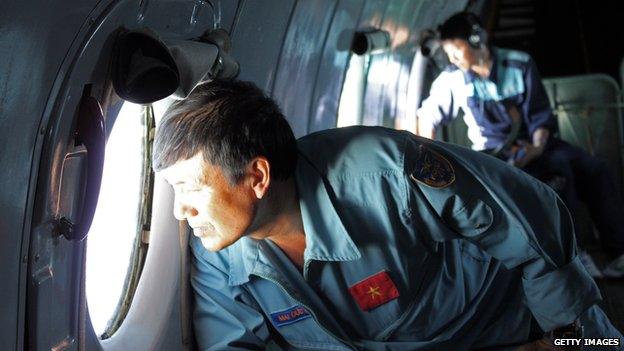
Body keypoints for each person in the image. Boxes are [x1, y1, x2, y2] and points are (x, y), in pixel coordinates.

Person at [153, 79, 622, 350]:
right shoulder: (217, 256)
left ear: (257, 177)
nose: (180, 210)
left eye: (191, 187)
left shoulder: (380, 173)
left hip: (525, 325)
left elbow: (531, 215)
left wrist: (564, 335)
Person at [416, 11, 624, 278]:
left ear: (477, 40)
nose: (453, 59)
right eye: (449, 53)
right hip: (492, 155)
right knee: (559, 175)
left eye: (457, 50)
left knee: (594, 169)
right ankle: (573, 257)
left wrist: (534, 149)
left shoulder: (519, 64)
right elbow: (427, 114)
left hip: (538, 145)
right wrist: (426, 155)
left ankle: (617, 250)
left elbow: (539, 117)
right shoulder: (452, 79)